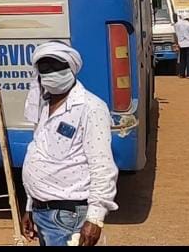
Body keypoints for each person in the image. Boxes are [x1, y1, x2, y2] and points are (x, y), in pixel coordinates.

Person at [21, 41, 117, 247]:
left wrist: (95, 218)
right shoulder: (43, 106)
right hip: (42, 213)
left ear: (71, 68)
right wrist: (30, 206)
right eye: (44, 68)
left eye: (57, 66)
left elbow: (102, 166)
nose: (50, 72)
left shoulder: (91, 108)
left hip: (70, 218)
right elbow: (39, 155)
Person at [174, 14, 189, 79]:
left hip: (181, 44)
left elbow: (176, 34)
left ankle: (181, 74)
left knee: (182, 59)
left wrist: (176, 43)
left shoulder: (177, 24)